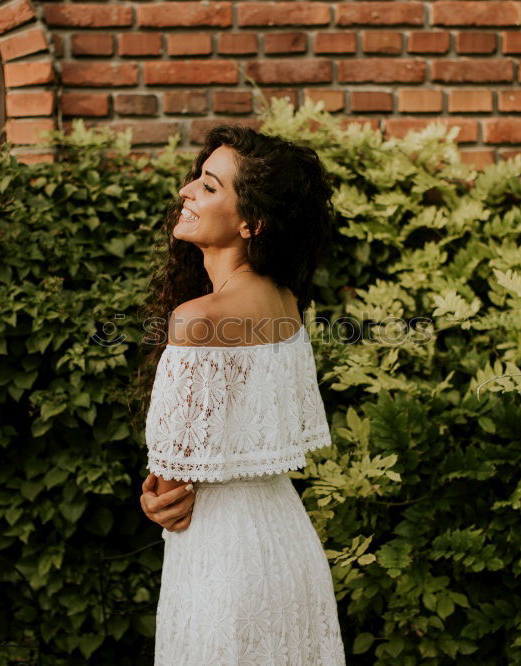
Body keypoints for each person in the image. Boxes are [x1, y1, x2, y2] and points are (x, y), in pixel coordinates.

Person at [131, 124, 347, 664]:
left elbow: (171, 487)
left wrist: (152, 498)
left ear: (251, 223)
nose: (187, 192)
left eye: (209, 186)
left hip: (223, 561)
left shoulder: (197, 320)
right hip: (285, 544)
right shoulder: (285, 302)